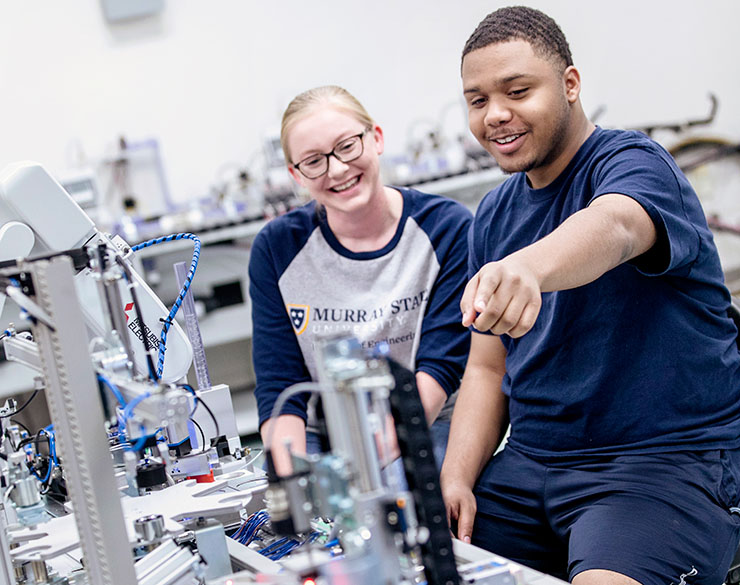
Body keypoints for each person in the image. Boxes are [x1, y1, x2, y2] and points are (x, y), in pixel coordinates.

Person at [440, 6, 740, 585]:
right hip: (529, 466)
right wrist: (456, 476)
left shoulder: (633, 163)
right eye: (477, 101)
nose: (496, 115)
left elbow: (619, 225)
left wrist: (529, 267)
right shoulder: (492, 217)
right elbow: (485, 368)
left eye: (518, 91)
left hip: (661, 464)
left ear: (570, 85)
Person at [249, 85, 472, 474]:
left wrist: (362, 478)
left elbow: (439, 370)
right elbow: (281, 389)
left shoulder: (446, 229)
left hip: (429, 424)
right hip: (328, 435)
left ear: (377, 138)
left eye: (347, 146)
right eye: (313, 161)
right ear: (295, 174)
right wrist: (294, 488)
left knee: (401, 495)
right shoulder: (277, 248)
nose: (337, 169)